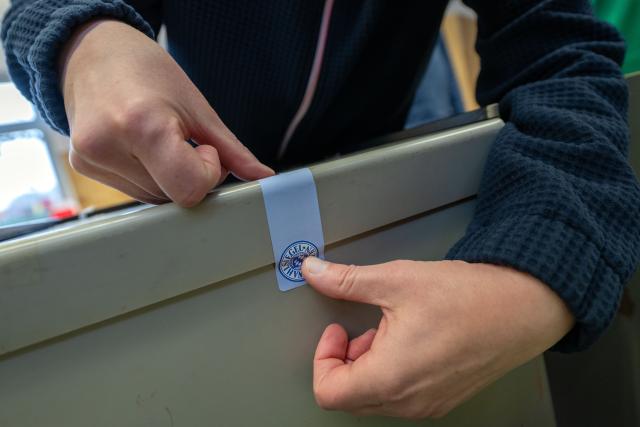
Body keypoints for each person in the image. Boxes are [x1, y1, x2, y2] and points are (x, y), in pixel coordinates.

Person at [2, 0, 639, 419]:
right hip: (197, 213)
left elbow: (563, 56)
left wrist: (534, 276)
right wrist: (83, 41)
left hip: (387, 192)